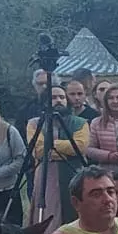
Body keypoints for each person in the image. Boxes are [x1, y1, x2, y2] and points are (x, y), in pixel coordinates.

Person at [25, 86, 90, 226]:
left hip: (73, 173)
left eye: (62, 97)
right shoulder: (34, 123)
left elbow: (79, 146)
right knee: (48, 215)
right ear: (44, 102)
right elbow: (38, 150)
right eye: (53, 98)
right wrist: (65, 150)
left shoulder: (80, 123)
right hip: (46, 176)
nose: (59, 100)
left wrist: (52, 147)